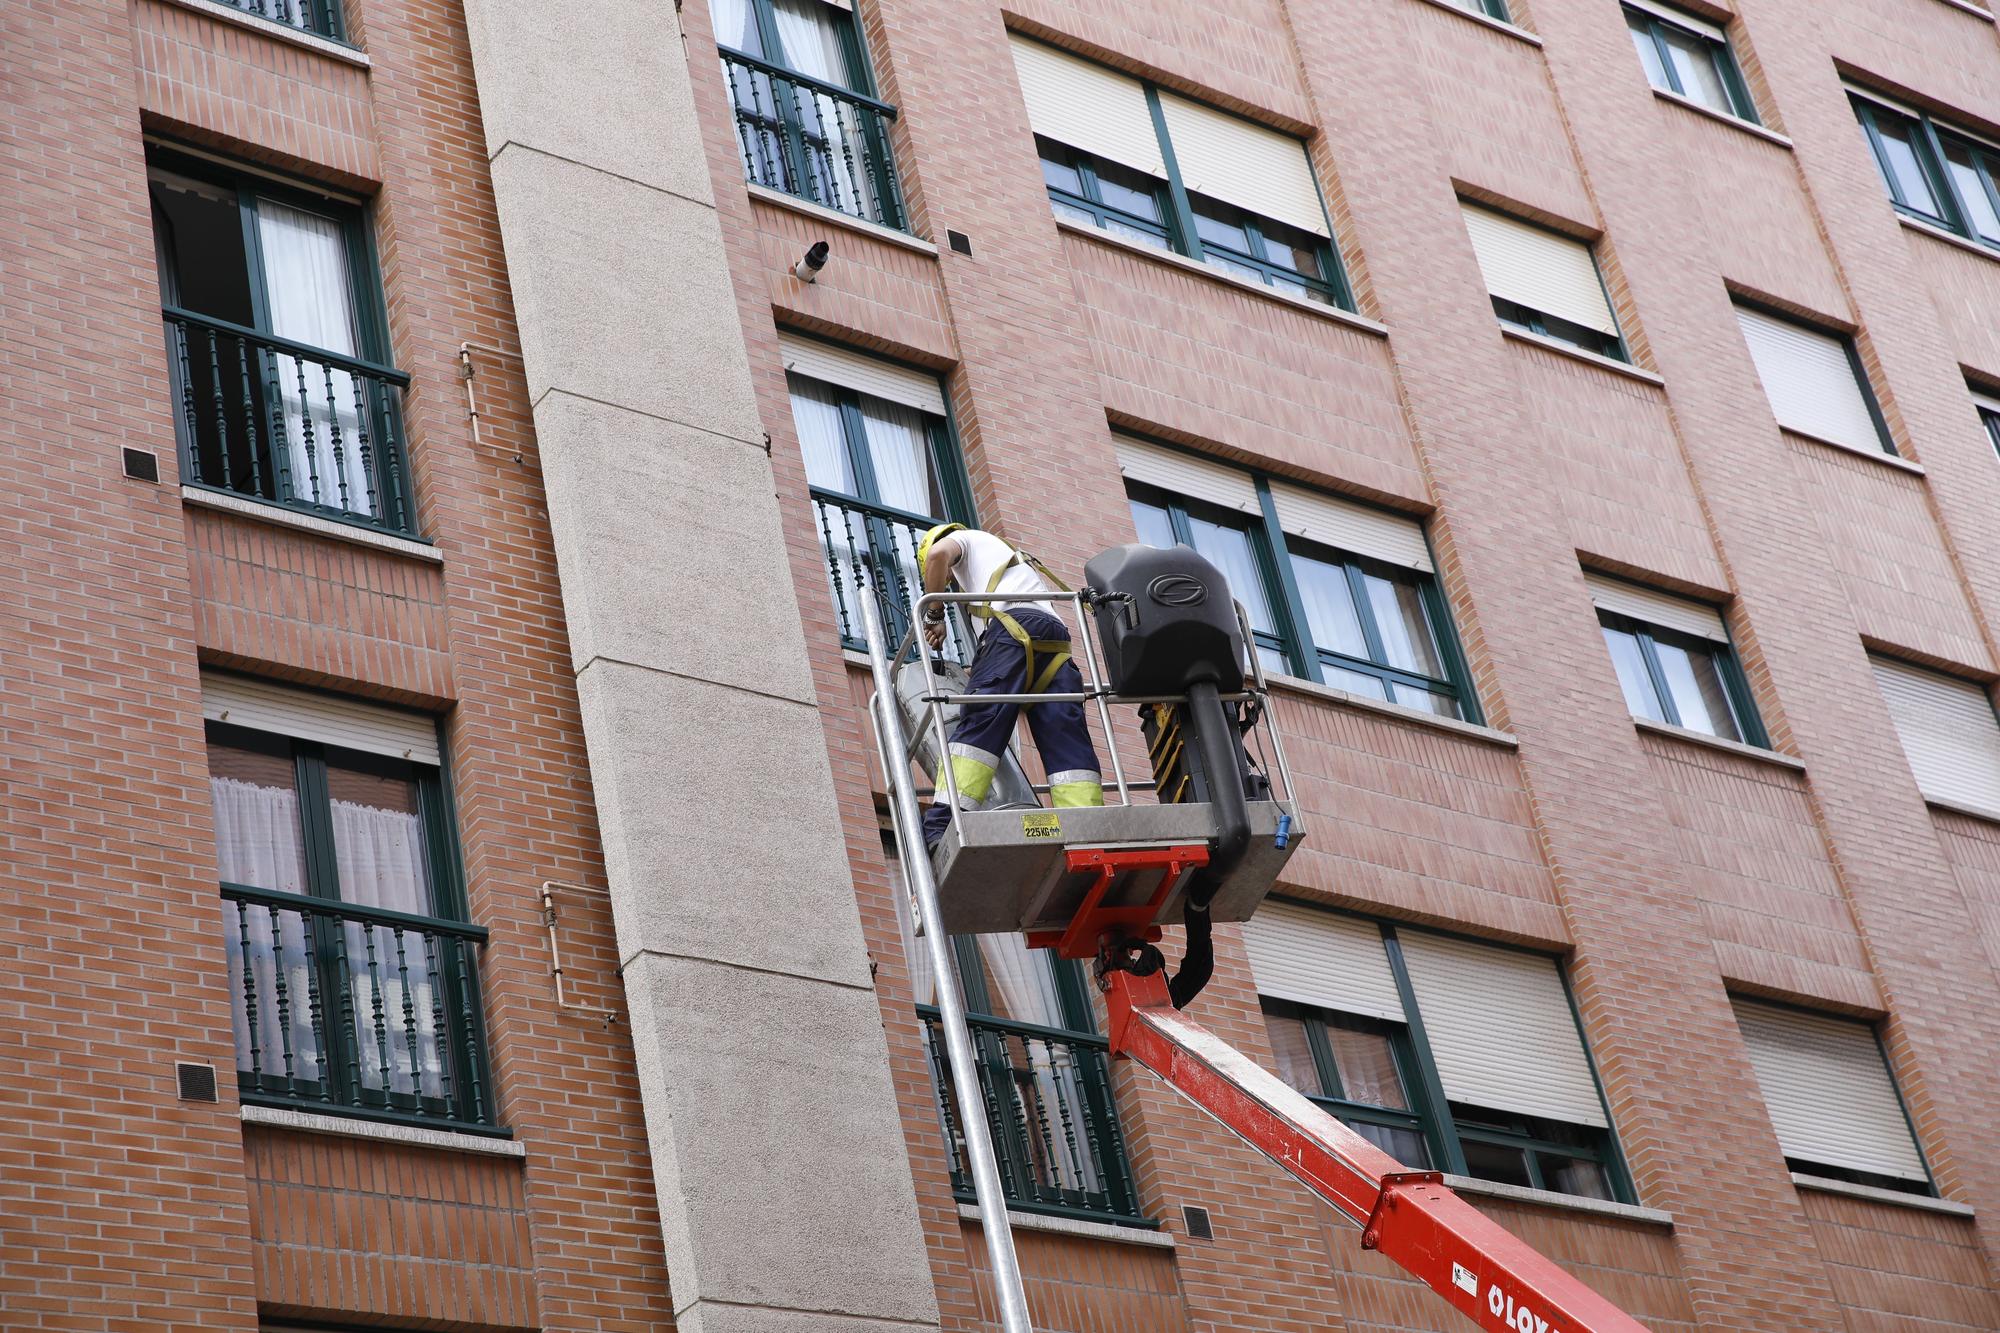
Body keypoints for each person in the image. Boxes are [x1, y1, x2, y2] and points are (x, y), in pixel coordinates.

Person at [916, 523, 1103, 849]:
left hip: (1014, 626)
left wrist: (934, 613)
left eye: (945, 579)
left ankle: (944, 822)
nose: (947, 583)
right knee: (1064, 734)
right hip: (1055, 642)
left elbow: (937, 555)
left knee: (980, 722)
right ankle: (1089, 829)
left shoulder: (961, 542)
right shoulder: (1002, 562)